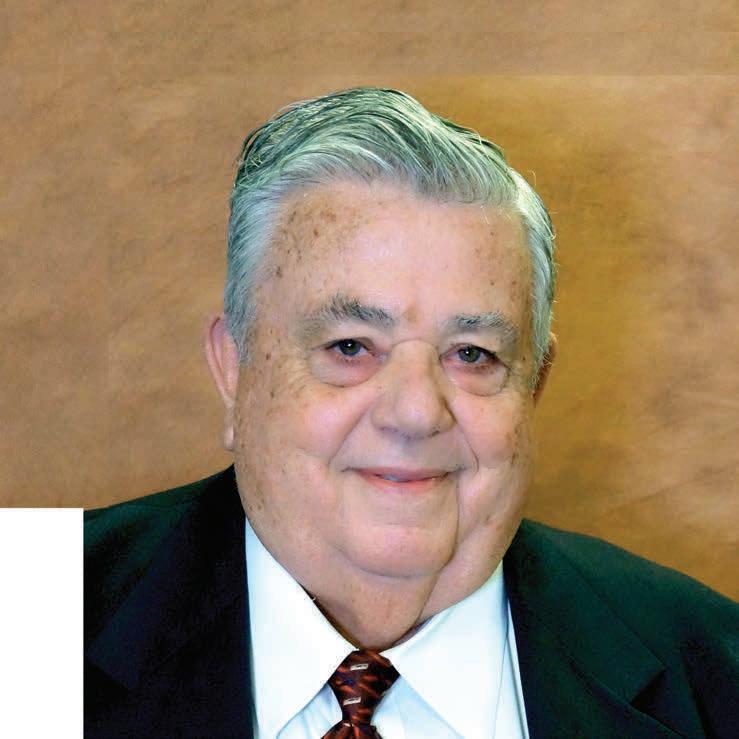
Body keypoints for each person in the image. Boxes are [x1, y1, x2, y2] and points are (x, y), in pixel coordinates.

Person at [84, 87, 738, 738]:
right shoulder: (38, 622)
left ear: (533, 386)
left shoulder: (716, 674)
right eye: (350, 347)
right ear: (234, 369)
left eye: (472, 354)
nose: (417, 413)